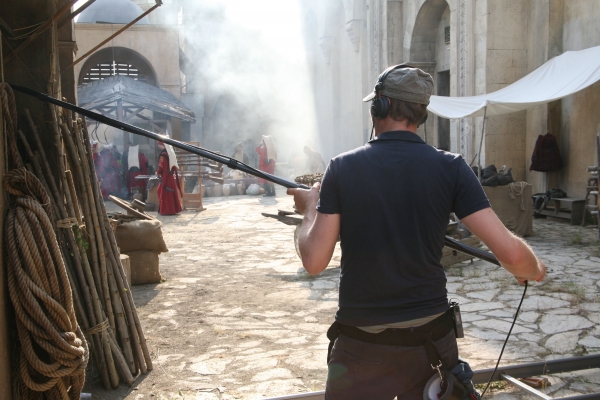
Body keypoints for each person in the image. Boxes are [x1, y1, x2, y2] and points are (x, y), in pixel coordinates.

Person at [287, 65, 546, 400]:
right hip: (431, 346)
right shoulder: (452, 167)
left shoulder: (342, 167)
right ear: (422, 112)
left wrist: (310, 209)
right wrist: (533, 269)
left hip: (361, 349)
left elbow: (314, 261)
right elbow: (511, 254)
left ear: (379, 105)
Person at [156, 141, 182, 215]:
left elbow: (161, 166)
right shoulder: (170, 153)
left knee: (164, 193)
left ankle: (167, 211)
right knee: (170, 193)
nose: (158, 146)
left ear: (161, 145)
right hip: (171, 177)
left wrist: (157, 172)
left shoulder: (163, 155)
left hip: (165, 178)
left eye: (158, 144)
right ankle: (173, 210)